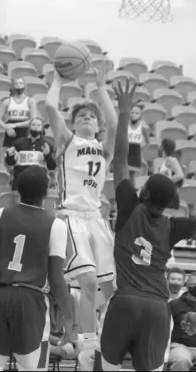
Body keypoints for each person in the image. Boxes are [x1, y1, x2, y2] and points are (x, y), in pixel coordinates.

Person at [97, 79, 196, 372]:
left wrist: (124, 111)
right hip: (158, 307)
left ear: (143, 192)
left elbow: (120, 160)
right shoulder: (173, 226)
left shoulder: (130, 207)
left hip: (125, 301)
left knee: (106, 367)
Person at [45, 66, 117, 371]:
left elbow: (114, 122)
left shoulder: (105, 148)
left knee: (114, 291)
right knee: (87, 284)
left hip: (97, 220)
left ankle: (110, 338)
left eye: (91, 117)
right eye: (81, 117)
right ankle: (89, 346)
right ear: (73, 124)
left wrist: (101, 88)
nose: (87, 119)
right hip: (71, 218)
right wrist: (58, 82)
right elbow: (50, 107)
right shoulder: (67, 141)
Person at [0, 165, 75, 371]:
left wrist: (2, 275)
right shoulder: (56, 225)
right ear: (46, 192)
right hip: (31, 303)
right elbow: (57, 280)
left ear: (18, 190)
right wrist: (69, 319)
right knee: (33, 368)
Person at [5, 117, 56, 189]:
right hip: (20, 183)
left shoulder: (47, 145)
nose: (35, 127)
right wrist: (10, 155)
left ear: (42, 128)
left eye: (38, 125)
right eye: (33, 125)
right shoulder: (19, 142)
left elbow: (52, 167)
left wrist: (47, 155)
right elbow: (10, 163)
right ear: (29, 127)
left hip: (39, 184)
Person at [0, 77, 37, 149]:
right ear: (13, 86)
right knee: (9, 157)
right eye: (16, 83)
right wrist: (7, 128)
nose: (19, 85)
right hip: (10, 133)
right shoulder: (6, 102)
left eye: (21, 83)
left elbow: (33, 120)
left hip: (25, 133)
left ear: (24, 85)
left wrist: (14, 125)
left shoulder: (30, 101)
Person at [158, 138, 184, 209]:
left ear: (164, 147)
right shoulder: (166, 160)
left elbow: (180, 175)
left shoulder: (171, 160)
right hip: (166, 195)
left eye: (161, 146)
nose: (159, 148)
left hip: (171, 196)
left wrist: (166, 182)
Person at [127, 104, 150, 186]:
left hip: (136, 152)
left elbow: (147, 142)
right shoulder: (125, 125)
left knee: (133, 178)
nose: (134, 114)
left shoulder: (144, 127)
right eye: (132, 112)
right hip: (126, 152)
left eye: (137, 113)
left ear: (140, 115)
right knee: (125, 178)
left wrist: (141, 150)